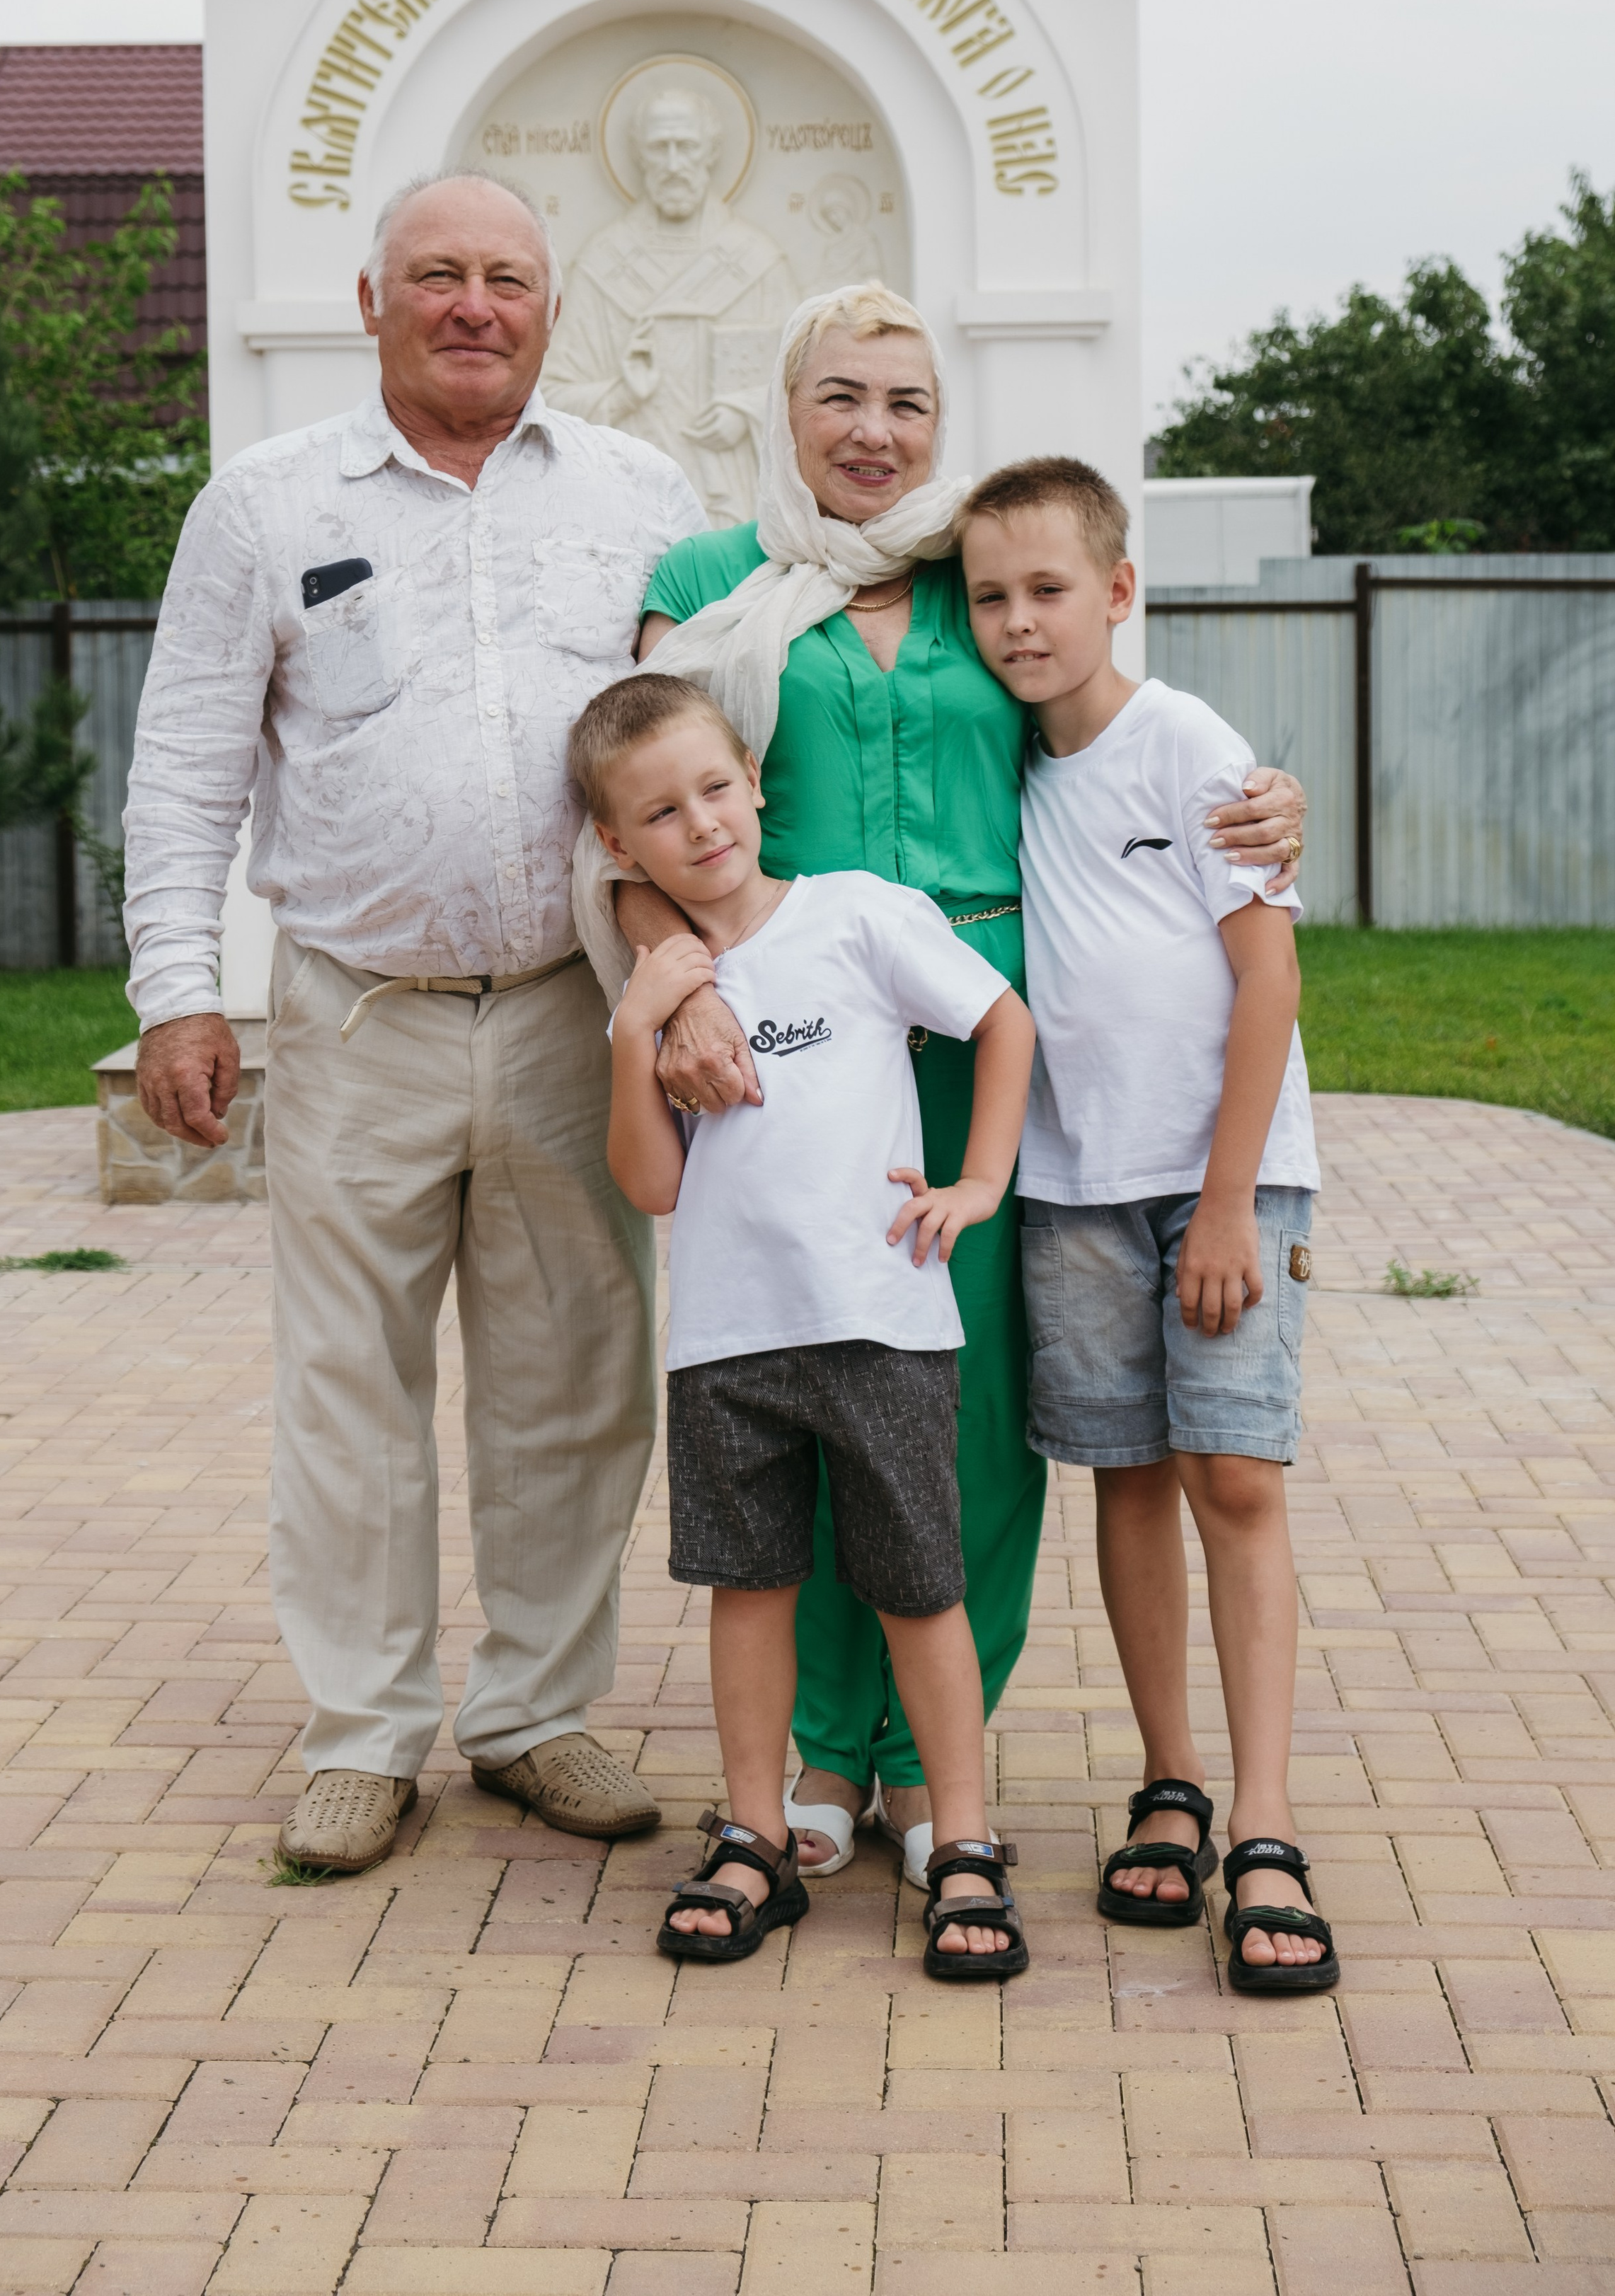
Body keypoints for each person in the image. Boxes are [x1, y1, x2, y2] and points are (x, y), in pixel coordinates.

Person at [572, 281, 1309, 1888]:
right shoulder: (709, 582)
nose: (872, 430)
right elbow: (630, 815)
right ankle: (824, 1748)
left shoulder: (981, 569)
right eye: (839, 395)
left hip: (990, 1031)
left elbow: (1118, 734)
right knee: (804, 1367)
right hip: (787, 1032)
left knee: (961, 1407)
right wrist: (670, 982)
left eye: (905, 401)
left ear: (940, 422)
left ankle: (929, 1759)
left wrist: (1261, 797)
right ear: (786, 408)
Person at [125, 171, 705, 1874]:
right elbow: (183, 764)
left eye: (506, 278)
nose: (472, 305)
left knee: (575, 1379)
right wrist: (178, 990)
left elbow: (702, 741)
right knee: (345, 1387)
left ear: (549, 308)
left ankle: (534, 1714)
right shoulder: (264, 503)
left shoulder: (637, 496)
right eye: (435, 274)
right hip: (352, 1013)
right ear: (370, 302)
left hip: (571, 1014)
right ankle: (363, 1735)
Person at [573, 670, 1035, 1980]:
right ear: (618, 844)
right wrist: (637, 1026)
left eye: (716, 788)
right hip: (729, 1341)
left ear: (756, 784)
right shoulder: (662, 987)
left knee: (921, 1590)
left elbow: (1002, 1019)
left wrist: (980, 1182)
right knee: (750, 1588)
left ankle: (965, 1842)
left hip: (881, 1322)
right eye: (661, 813)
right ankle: (756, 1837)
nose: (702, 825)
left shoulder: (856, 915)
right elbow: (652, 1184)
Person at [959, 456, 1338, 1994]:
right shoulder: (999, 762)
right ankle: (1167, 1784)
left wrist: (1229, 1199)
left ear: (1118, 591)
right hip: (1072, 1184)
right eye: (990, 596)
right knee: (1122, 1476)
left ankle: (1265, 1822)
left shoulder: (1186, 744)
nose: (1017, 621)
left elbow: (1268, 978)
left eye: (1048, 589)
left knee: (1230, 1476)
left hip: (1219, 1179)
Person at [543, 84, 796, 526]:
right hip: (626, 496)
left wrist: (745, 412)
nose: (674, 164)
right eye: (660, 147)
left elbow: (808, 383)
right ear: (639, 156)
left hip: (731, 499)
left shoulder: (757, 262)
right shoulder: (602, 264)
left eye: (687, 146)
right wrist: (623, 394)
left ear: (711, 152)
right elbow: (548, 396)